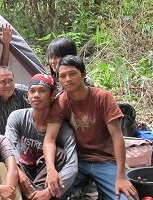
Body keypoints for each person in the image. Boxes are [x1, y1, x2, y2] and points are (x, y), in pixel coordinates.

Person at [43, 56, 138, 199]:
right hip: (77, 161)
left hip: (106, 160)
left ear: (83, 74)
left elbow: (117, 138)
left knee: (127, 197)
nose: (67, 79)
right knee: (49, 194)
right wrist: (51, 170)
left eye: (73, 73)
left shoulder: (103, 98)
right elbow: (49, 139)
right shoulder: (61, 102)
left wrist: (121, 176)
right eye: (62, 76)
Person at [5, 74, 77, 199]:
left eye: (42, 91)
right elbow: (8, 147)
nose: (36, 95)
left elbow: (72, 166)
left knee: (59, 154)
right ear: (27, 95)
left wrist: (49, 191)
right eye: (32, 91)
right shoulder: (17, 117)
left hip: (46, 177)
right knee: (5, 161)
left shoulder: (63, 128)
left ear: (52, 94)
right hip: (22, 170)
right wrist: (17, 170)